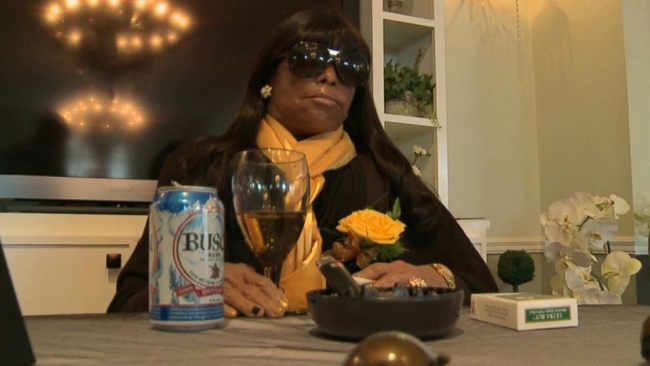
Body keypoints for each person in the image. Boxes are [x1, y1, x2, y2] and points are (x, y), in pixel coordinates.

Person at [108, 7, 498, 317]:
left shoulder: (386, 176)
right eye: (309, 59)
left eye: (350, 67)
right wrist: (189, 283)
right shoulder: (199, 167)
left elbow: (480, 285)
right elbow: (128, 298)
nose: (330, 75)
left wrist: (432, 276)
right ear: (268, 78)